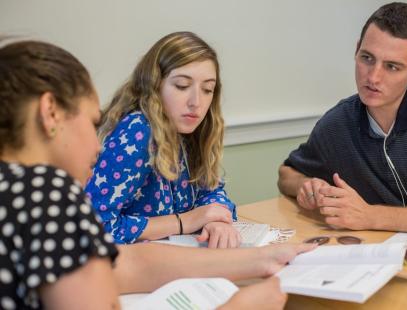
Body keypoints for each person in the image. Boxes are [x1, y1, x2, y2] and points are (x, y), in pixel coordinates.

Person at [0, 39, 314, 310]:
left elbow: (129, 263)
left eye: (208, 90)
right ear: (50, 112)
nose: (98, 147)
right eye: (93, 122)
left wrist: (261, 258)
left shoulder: (19, 190)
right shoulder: (44, 191)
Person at [278, 2, 407, 236]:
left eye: (392, 67)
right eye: (367, 58)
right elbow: (286, 174)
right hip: (377, 255)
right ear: (356, 51)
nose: (373, 77)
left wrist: (370, 215)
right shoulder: (338, 123)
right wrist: (307, 186)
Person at [85, 32, 239, 248]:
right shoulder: (138, 131)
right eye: (182, 86)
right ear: (154, 85)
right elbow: (94, 226)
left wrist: (216, 220)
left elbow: (211, 190)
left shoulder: (191, 128)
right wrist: (186, 221)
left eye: (207, 90)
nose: (196, 102)